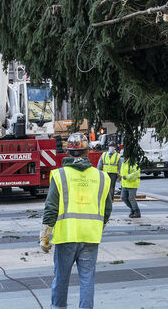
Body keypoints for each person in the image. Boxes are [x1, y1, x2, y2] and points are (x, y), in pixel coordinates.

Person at [40, 132, 112, 309]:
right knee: (87, 280)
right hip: (90, 237)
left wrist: (45, 236)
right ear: (87, 152)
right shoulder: (102, 176)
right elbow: (107, 209)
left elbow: (51, 208)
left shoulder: (60, 175)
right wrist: (98, 227)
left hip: (66, 236)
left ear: (68, 152)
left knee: (62, 279)